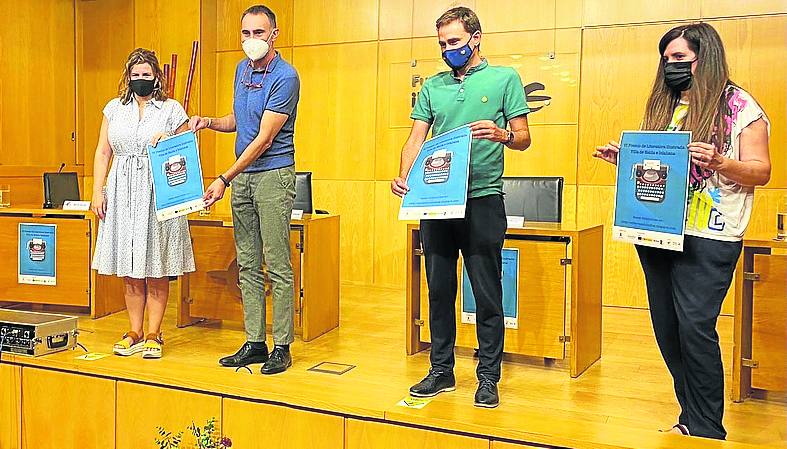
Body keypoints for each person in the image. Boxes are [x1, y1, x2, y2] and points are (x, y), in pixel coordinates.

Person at [594, 23, 771, 439]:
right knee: (668, 327)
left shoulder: (740, 106)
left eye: (679, 58)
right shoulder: (667, 105)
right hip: (657, 228)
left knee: (695, 326)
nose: (670, 66)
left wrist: (721, 162)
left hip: (711, 233)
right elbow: (664, 169)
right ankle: (689, 415)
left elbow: (761, 171)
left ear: (703, 57)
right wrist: (628, 159)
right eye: (666, 59)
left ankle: (708, 427)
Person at [391, 7, 531, 408]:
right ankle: (441, 371)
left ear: (476, 37)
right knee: (438, 290)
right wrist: (404, 175)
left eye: (454, 42)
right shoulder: (433, 86)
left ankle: (488, 376)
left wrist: (503, 133)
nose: (448, 49)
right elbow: (416, 138)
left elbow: (523, 138)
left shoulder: (505, 79)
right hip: (436, 202)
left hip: (483, 198)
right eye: (442, 44)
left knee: (487, 292)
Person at [189, 4, 299, 375]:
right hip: (244, 176)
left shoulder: (286, 76)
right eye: (246, 34)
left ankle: (281, 345)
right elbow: (240, 120)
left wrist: (224, 178)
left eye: (259, 33)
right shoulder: (241, 70)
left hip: (272, 174)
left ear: (274, 34)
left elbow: (264, 139)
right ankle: (255, 340)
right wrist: (208, 121)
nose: (252, 40)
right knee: (247, 263)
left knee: (277, 264)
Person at [91, 48, 195, 359]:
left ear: (156, 77)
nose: (140, 80)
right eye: (135, 75)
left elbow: (188, 149)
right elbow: (103, 153)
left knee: (155, 263)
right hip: (122, 190)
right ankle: (134, 331)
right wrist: (98, 190)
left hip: (157, 191)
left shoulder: (171, 109)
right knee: (130, 266)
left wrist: (168, 139)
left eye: (146, 75)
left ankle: (154, 332)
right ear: (128, 77)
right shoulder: (113, 109)